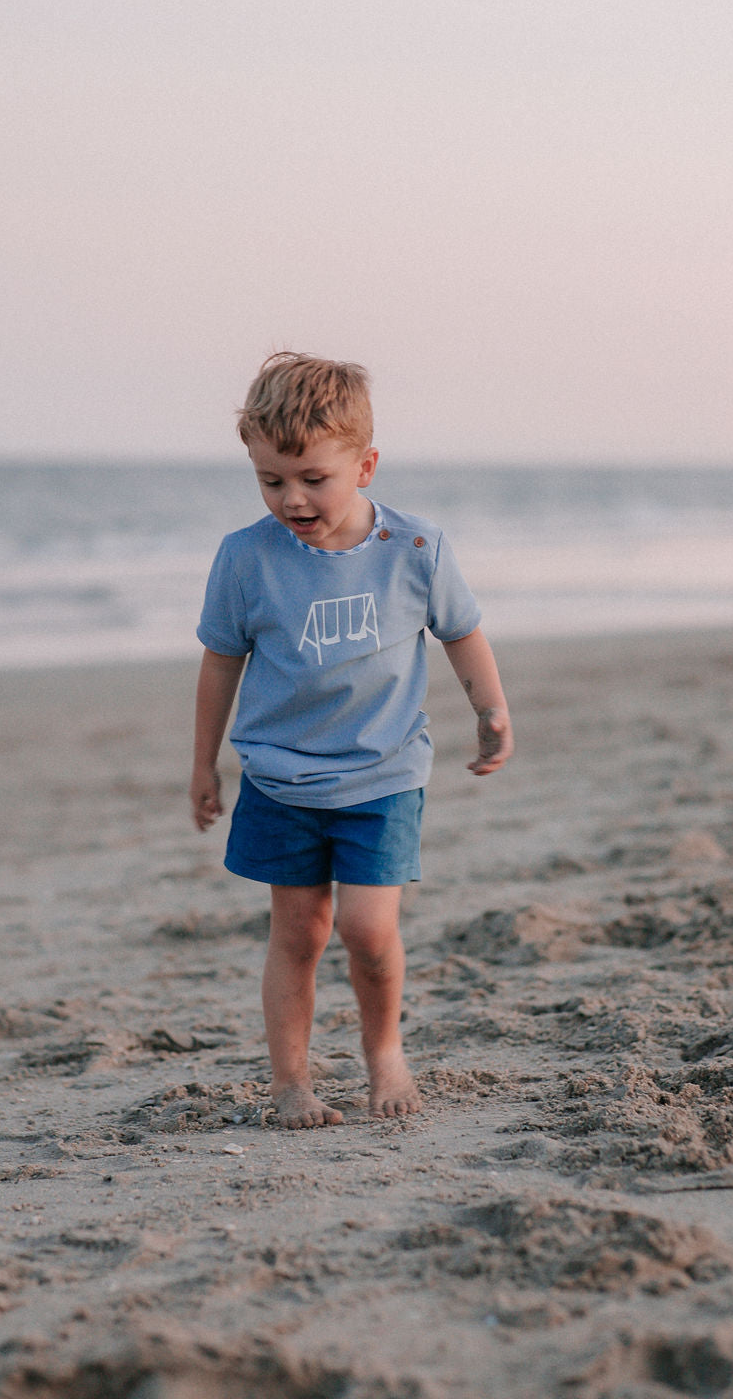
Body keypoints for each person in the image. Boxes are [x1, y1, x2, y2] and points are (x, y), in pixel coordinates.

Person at [190, 352, 513, 1128]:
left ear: (364, 466)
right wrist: (204, 762)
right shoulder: (245, 559)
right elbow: (220, 663)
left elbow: (462, 633)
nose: (292, 498)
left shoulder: (416, 549)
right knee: (298, 931)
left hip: (384, 771)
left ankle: (383, 1052)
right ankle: (291, 1082)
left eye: (311, 478)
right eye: (271, 481)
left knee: (370, 931)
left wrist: (491, 709)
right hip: (280, 779)